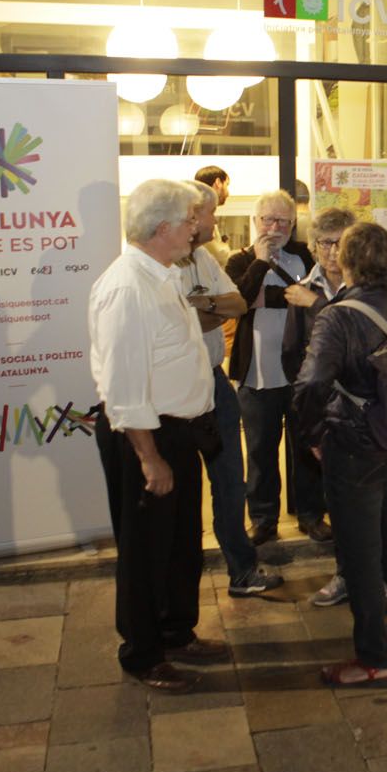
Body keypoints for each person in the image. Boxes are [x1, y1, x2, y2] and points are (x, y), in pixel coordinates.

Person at [88, 178, 225, 693]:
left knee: (181, 541)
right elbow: (123, 388)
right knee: (146, 549)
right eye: (191, 219)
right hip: (147, 437)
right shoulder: (127, 286)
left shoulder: (164, 273)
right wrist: (149, 459)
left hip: (178, 434)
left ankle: (175, 631)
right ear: (163, 227)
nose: (198, 227)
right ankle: (143, 654)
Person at [292, 223, 387, 685]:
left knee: (361, 554)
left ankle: (372, 658)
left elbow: (312, 382)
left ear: (348, 263)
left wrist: (311, 433)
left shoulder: (338, 316)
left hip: (357, 448)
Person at [178, 181, 284, 599]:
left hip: (214, 378)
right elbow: (186, 318)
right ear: (190, 216)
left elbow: (237, 303)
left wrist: (200, 306)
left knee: (229, 480)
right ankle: (183, 587)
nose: (216, 220)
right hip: (180, 385)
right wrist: (206, 307)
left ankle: (242, 571)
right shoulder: (163, 263)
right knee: (188, 489)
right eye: (210, 214)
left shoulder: (203, 258)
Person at [225, 191, 325, 545]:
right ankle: (264, 519)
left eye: (283, 220)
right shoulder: (239, 261)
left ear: (293, 223)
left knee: (307, 447)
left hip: (301, 373)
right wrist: (262, 264)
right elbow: (238, 302)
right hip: (256, 373)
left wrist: (266, 300)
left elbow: (320, 301)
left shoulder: (306, 255)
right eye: (268, 219)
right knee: (260, 450)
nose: (275, 227)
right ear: (255, 222)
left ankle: (311, 515)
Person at [285, 206, 359, 608]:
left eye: (341, 242)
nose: (332, 251)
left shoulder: (365, 289)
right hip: (323, 410)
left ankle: (364, 577)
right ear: (313, 248)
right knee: (338, 498)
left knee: (362, 505)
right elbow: (293, 353)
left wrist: (314, 303)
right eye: (325, 243)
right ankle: (349, 575)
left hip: (359, 411)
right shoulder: (303, 287)